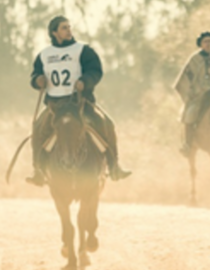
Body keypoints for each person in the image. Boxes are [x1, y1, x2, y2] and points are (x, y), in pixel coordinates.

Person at [26, 16, 131, 186]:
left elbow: (95, 71)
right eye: (64, 28)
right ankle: (37, 171)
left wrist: (85, 81)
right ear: (54, 33)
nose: (69, 30)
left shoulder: (83, 50)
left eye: (69, 27)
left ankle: (114, 166)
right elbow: (34, 75)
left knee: (108, 124)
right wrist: (37, 80)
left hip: (80, 104)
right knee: (37, 128)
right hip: (55, 106)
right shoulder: (44, 55)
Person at [173, 31, 210, 157]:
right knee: (190, 114)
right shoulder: (194, 59)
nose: (208, 44)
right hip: (199, 95)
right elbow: (184, 80)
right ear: (200, 44)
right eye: (205, 41)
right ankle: (188, 144)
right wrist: (191, 94)